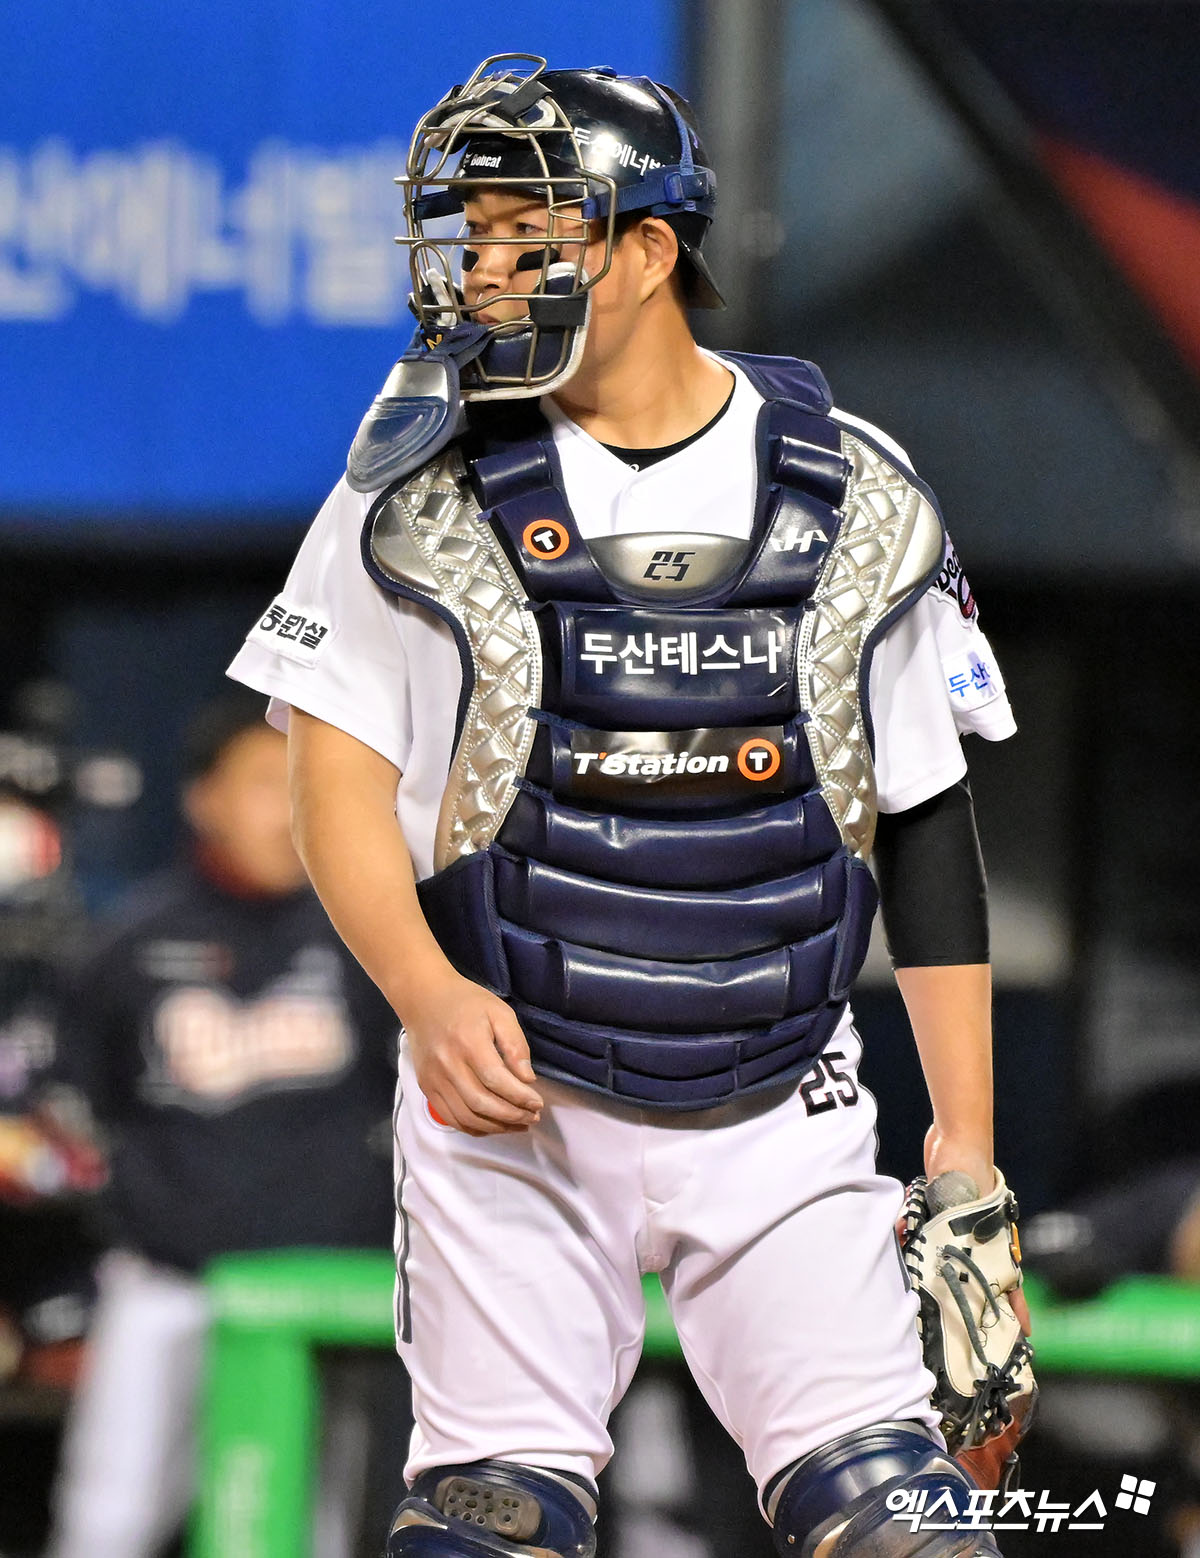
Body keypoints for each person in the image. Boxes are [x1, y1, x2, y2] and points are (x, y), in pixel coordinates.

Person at [229, 56, 1031, 1558]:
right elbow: (330, 777)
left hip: (784, 1097)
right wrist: (422, 994)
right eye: (471, 238)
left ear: (648, 249)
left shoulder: (853, 484)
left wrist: (967, 1150)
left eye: (526, 236)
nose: (481, 273)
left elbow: (927, 820)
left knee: (907, 1528)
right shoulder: (411, 479)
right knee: (488, 1524)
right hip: (512, 1094)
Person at [45, 688, 406, 1558]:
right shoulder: (129, 943)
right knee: (106, 1522)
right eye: (261, 784)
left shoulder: (375, 936)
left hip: (323, 1296)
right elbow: (73, 1103)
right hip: (170, 1282)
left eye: (303, 785)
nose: (286, 810)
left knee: (309, 1532)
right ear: (203, 798)